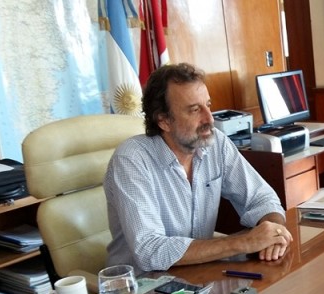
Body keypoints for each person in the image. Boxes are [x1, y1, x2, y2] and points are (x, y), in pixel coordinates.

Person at [104, 62, 292, 272]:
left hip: (198, 273)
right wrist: (245, 242)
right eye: (195, 110)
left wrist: (274, 234)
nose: (209, 118)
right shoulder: (131, 160)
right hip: (145, 284)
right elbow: (150, 251)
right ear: (164, 121)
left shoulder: (216, 143)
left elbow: (262, 198)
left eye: (208, 105)